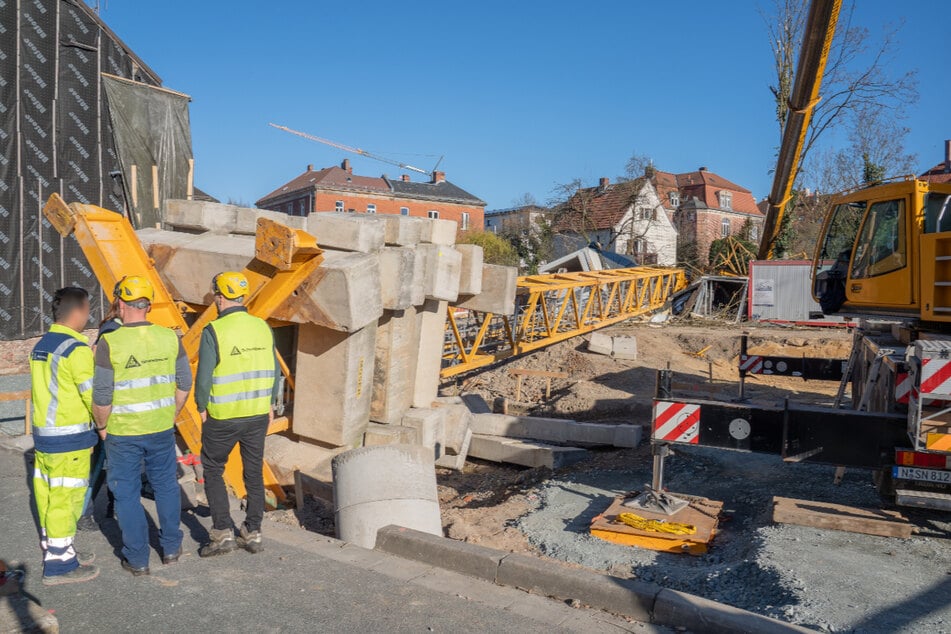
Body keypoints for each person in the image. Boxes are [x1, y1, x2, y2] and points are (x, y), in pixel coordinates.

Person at [92, 275, 191, 576]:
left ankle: (137, 559)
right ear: (148, 305)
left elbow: (102, 396)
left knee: (126, 493)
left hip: (123, 432)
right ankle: (171, 548)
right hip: (160, 429)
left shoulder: (110, 342)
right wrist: (171, 414)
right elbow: (184, 383)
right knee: (166, 486)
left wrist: (101, 427)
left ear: (121, 304)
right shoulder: (170, 337)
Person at [195, 271, 279, 557]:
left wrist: (201, 406)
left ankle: (222, 533)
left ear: (219, 298)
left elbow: (204, 377)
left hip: (223, 416)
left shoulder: (214, 330)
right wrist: (270, 404)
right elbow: (274, 370)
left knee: (213, 469)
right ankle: (253, 532)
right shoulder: (262, 327)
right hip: (257, 414)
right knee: (253, 472)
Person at [29, 287, 100, 585]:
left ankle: (59, 548)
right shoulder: (76, 349)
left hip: (45, 437)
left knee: (47, 495)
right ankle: (59, 565)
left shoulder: (42, 345)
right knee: (66, 498)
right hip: (70, 440)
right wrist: (105, 425)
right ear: (80, 310)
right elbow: (93, 397)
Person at [77, 283, 122, 532]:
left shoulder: (115, 327)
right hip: (108, 407)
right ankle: (83, 512)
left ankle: (111, 506)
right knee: (100, 465)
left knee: (113, 463)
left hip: (117, 406)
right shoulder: (112, 329)